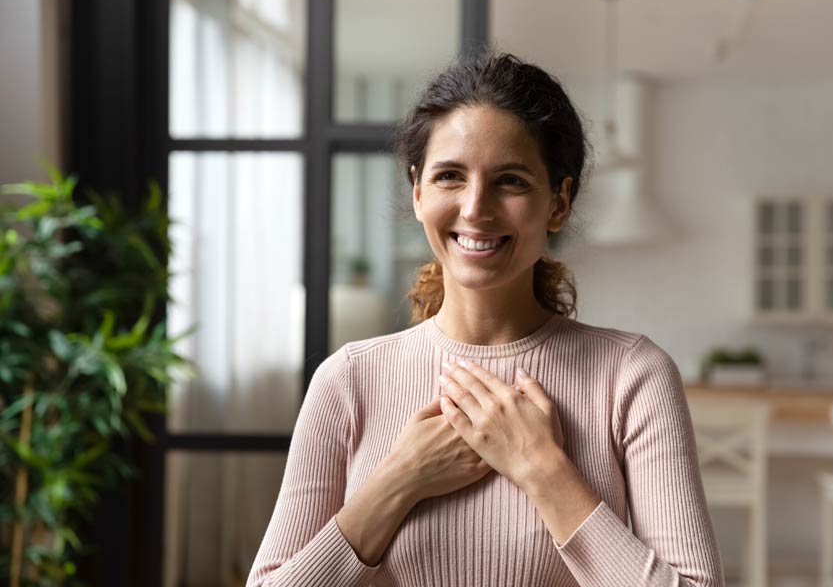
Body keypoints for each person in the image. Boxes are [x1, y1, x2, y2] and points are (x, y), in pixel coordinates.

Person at [247, 52, 725, 587]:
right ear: (418, 191)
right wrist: (398, 480)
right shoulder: (347, 381)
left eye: (512, 181)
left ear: (558, 203)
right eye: (450, 176)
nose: (476, 208)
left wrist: (542, 469)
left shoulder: (632, 375)